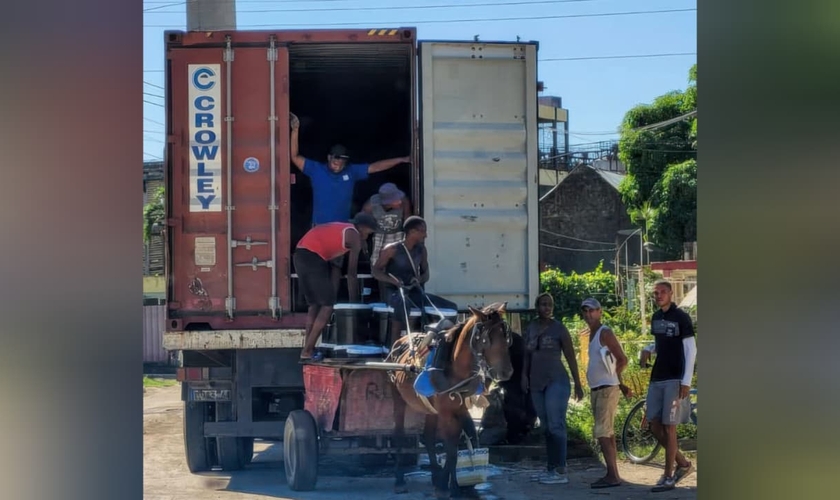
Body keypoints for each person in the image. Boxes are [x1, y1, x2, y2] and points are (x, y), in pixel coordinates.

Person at [290, 112, 410, 293]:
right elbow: (294, 157)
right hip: (319, 229)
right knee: (318, 266)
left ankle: (332, 301)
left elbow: (375, 166)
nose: (338, 163)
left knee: (336, 267)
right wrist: (295, 130)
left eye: (342, 161)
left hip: (341, 230)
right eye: (335, 159)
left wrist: (401, 159)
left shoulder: (352, 171)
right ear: (329, 157)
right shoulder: (316, 169)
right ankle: (318, 300)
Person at [293, 212, 378, 362]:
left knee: (314, 305)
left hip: (300, 255)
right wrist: (355, 304)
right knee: (327, 306)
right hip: (313, 257)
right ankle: (307, 350)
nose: (368, 236)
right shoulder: (354, 236)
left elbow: (335, 267)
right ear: (362, 227)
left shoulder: (342, 230)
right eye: (369, 232)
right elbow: (352, 273)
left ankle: (308, 349)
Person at [521, 292, 584, 485]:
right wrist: (524, 376)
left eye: (549, 304)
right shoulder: (531, 328)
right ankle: (551, 467)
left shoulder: (559, 329)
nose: (547, 308)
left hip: (556, 381)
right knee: (546, 426)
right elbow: (526, 355)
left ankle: (561, 468)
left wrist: (578, 383)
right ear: (537, 307)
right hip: (536, 382)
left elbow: (571, 357)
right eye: (543, 304)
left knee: (556, 424)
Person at [370, 216, 457, 345]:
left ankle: (445, 344)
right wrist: (394, 281)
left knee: (451, 307)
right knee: (402, 304)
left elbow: (426, 274)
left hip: (413, 292)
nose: (426, 235)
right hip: (394, 292)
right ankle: (395, 346)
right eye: (423, 231)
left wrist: (419, 279)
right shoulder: (392, 249)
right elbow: (375, 271)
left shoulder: (421, 250)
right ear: (412, 232)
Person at [645, 280, 697, 492]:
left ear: (671, 293)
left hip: (675, 378)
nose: (658, 295)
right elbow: (661, 344)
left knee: (670, 427)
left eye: (662, 292)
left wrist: (686, 381)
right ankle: (683, 464)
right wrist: (648, 349)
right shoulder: (656, 317)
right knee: (654, 425)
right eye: (655, 293)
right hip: (657, 377)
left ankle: (668, 476)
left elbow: (691, 349)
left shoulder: (681, 317)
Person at [580, 297, 632, 489]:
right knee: (607, 432)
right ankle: (613, 473)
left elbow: (622, 359)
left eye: (592, 310)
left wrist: (615, 378)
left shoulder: (605, 332)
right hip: (599, 388)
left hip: (606, 389)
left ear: (600, 312)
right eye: (585, 311)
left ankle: (612, 475)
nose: (588, 314)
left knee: (602, 432)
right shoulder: (592, 333)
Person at [363, 182, 412, 299]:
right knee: (378, 268)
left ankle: (401, 297)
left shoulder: (404, 201)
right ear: (387, 202)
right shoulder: (371, 205)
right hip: (380, 235)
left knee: (399, 266)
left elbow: (408, 222)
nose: (399, 201)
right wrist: (363, 242)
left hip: (398, 234)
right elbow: (363, 224)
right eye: (396, 200)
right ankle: (384, 298)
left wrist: (408, 243)